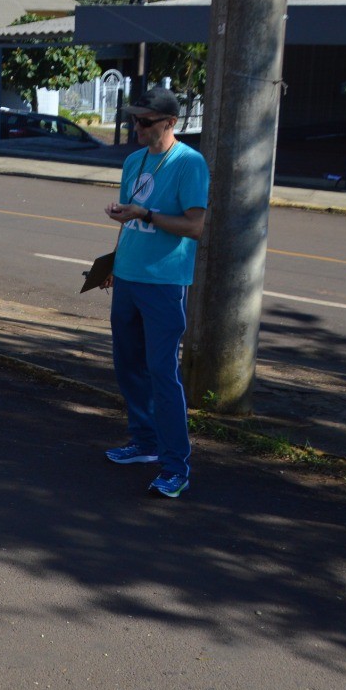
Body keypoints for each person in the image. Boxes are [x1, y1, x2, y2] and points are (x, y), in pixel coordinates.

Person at [101, 87, 208, 499]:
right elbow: (129, 219)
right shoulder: (133, 161)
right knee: (128, 367)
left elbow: (195, 226)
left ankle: (175, 466)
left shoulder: (189, 164)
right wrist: (113, 261)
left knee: (162, 373)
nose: (137, 127)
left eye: (145, 121)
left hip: (164, 283)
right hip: (128, 276)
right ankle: (144, 444)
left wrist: (146, 213)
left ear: (169, 123)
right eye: (134, 120)